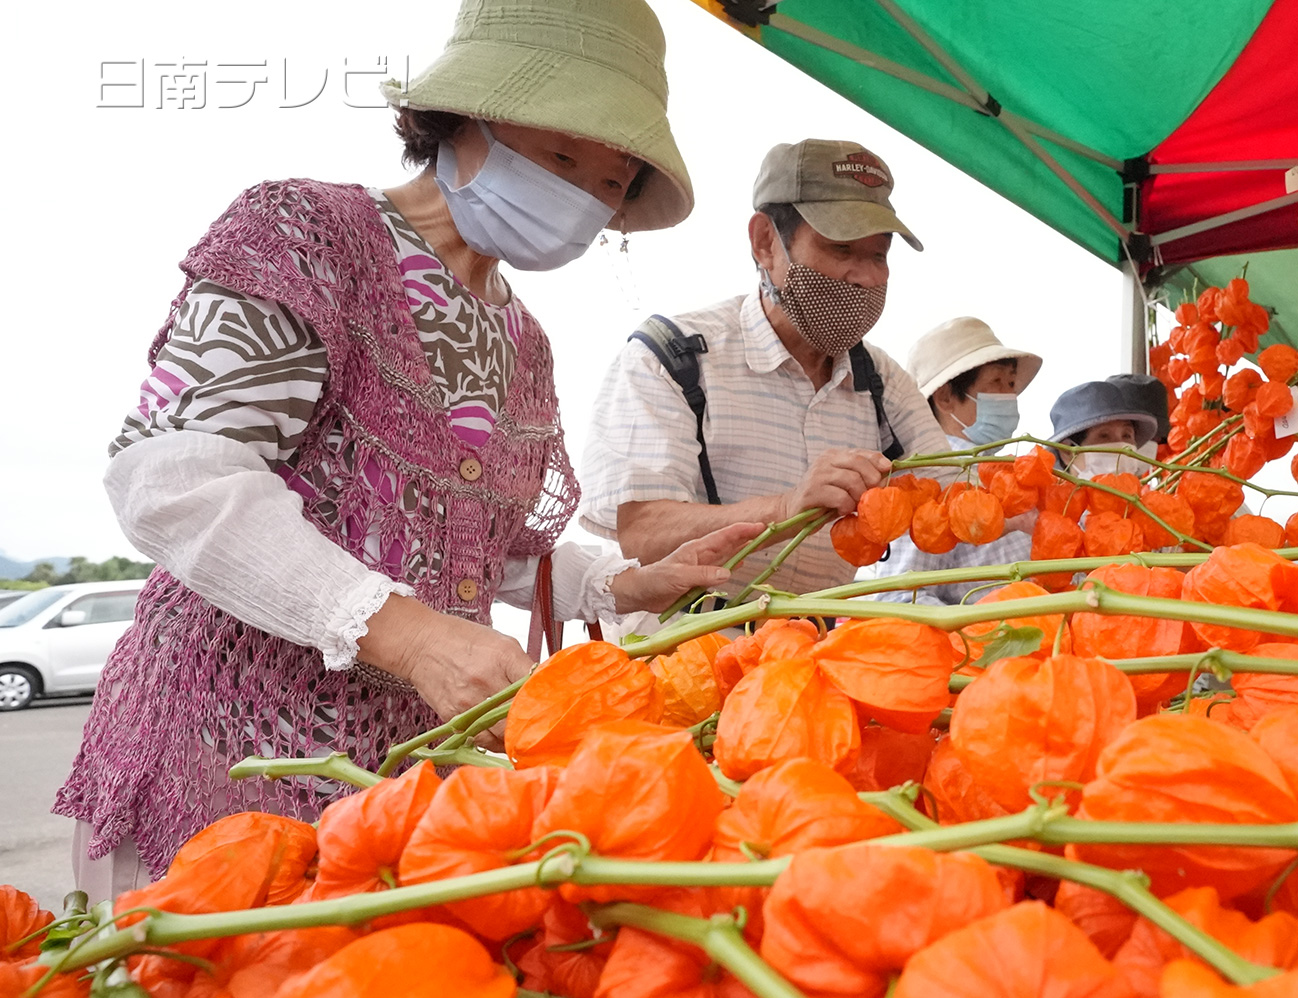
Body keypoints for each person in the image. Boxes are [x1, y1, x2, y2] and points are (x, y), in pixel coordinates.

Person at [53, 0, 758, 893]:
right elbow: (173, 478)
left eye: (612, 182)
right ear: (462, 120)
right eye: (564, 155)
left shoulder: (522, 340)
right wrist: (410, 637)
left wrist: (622, 582)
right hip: (222, 756)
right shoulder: (305, 237)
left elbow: (478, 547)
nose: (583, 196)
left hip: (387, 798)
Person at [580, 140, 951, 600]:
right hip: (685, 653)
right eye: (841, 249)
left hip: (812, 651)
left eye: (879, 255)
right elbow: (640, 529)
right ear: (764, 243)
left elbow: (953, 488)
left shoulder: (881, 380)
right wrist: (785, 507)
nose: (867, 278)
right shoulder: (674, 357)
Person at [864, 317, 1041, 604]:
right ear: (945, 397)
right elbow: (897, 596)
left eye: (1011, 382)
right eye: (996, 381)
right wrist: (974, 629)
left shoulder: (1003, 473)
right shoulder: (928, 479)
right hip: (981, 644)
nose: (1010, 395)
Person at [1049, 379, 1165, 475]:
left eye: (1127, 435)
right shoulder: (1048, 502)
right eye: (1104, 436)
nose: (1121, 446)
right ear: (1067, 451)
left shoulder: (1141, 502)